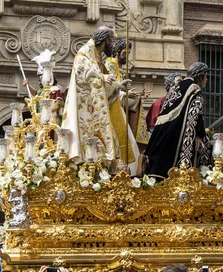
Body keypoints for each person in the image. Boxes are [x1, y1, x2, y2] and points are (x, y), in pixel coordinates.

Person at [63, 26, 130, 166]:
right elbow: (82, 68)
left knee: (109, 140)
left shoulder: (99, 55)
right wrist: (101, 76)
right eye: (112, 40)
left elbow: (106, 82)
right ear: (105, 39)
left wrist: (118, 86)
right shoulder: (85, 51)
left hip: (96, 109)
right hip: (85, 109)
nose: (113, 44)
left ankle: (104, 166)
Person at [144, 62, 211, 178]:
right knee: (207, 147)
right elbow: (195, 116)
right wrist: (200, 135)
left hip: (162, 132)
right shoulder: (195, 91)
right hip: (177, 135)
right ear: (200, 76)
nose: (207, 80)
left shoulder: (177, 87)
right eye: (206, 76)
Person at [104, 39, 140, 174]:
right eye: (125, 53)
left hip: (118, 108)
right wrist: (124, 92)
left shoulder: (119, 68)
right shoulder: (109, 65)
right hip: (110, 110)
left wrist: (129, 94)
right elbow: (107, 88)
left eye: (128, 53)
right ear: (117, 52)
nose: (126, 56)